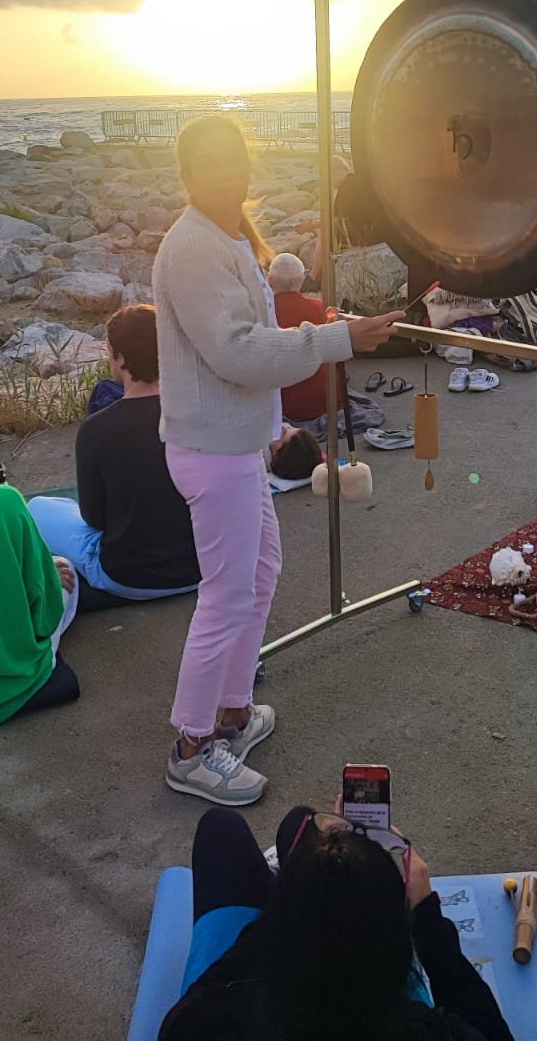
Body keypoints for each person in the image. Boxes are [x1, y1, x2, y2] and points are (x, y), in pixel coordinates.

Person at [152, 115, 400, 807]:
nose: (229, 172)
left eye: (235, 157)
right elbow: (235, 351)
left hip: (235, 444)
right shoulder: (194, 247)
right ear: (188, 174)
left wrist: (330, 335)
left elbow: (253, 336)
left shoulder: (226, 236)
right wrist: (333, 340)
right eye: (211, 162)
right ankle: (191, 746)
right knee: (226, 595)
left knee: (260, 574)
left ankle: (232, 711)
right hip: (213, 451)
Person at [158, 805, 516, 1041]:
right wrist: (428, 921)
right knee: (299, 825)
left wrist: (286, 913)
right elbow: (491, 1031)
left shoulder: (217, 1020)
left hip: (268, 992)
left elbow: (180, 1020)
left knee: (225, 827)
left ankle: (289, 875)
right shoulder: (423, 1030)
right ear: (397, 940)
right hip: (369, 997)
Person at [27, 305, 200, 601]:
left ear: (120, 357)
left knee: (38, 508)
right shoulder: (198, 413)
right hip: (200, 569)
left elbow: (94, 518)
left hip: (128, 576)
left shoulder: (97, 429)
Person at [0, 412, 79, 731]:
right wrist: (45, 570)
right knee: (64, 572)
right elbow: (45, 616)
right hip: (10, 685)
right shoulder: (3, 503)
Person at [269, 252, 343, 422]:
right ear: (302, 280)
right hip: (324, 401)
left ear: (269, 280)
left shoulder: (264, 313)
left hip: (284, 404)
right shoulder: (319, 308)